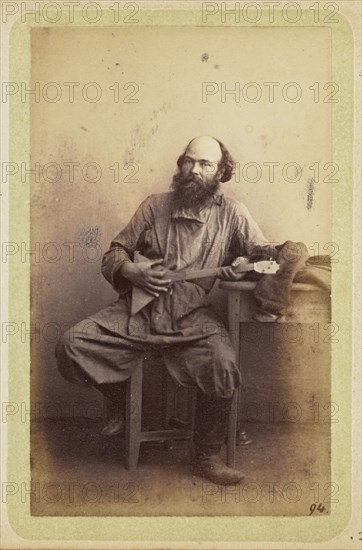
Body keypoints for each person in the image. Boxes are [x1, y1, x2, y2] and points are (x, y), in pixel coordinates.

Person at [55, 135, 275, 485]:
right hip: (138, 311)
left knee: (223, 364)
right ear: (180, 164)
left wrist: (243, 263)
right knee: (70, 344)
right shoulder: (154, 206)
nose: (194, 170)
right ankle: (120, 398)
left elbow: (264, 254)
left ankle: (206, 456)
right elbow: (115, 253)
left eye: (205, 164)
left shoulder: (232, 213)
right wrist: (130, 270)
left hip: (193, 318)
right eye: (189, 161)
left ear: (221, 172)